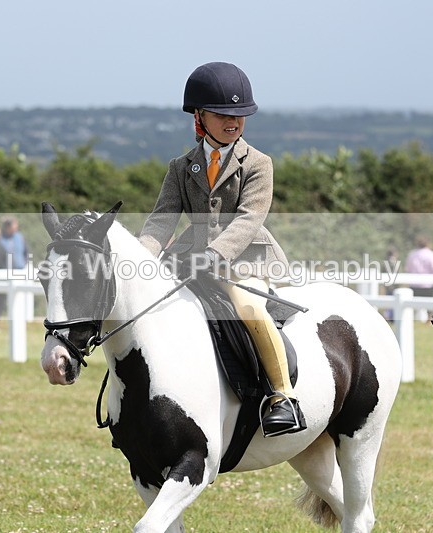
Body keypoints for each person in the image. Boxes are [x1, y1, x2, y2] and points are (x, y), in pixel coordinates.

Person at [138, 61, 304, 436]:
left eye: (240, 115)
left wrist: (214, 255)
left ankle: (281, 397)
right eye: (222, 114)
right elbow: (162, 219)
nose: (233, 122)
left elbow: (249, 218)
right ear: (199, 116)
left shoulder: (259, 164)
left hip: (245, 260)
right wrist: (140, 255)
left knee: (249, 307)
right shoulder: (181, 167)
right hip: (190, 259)